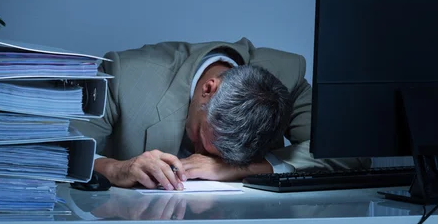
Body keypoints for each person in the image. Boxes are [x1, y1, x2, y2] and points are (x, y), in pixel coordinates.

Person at [76, 37, 369, 190]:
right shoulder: (126, 76)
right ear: (208, 89)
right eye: (206, 140)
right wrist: (116, 169)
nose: (207, 156)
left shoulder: (286, 78)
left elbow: (351, 151)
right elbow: (60, 148)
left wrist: (244, 168)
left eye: (227, 158)